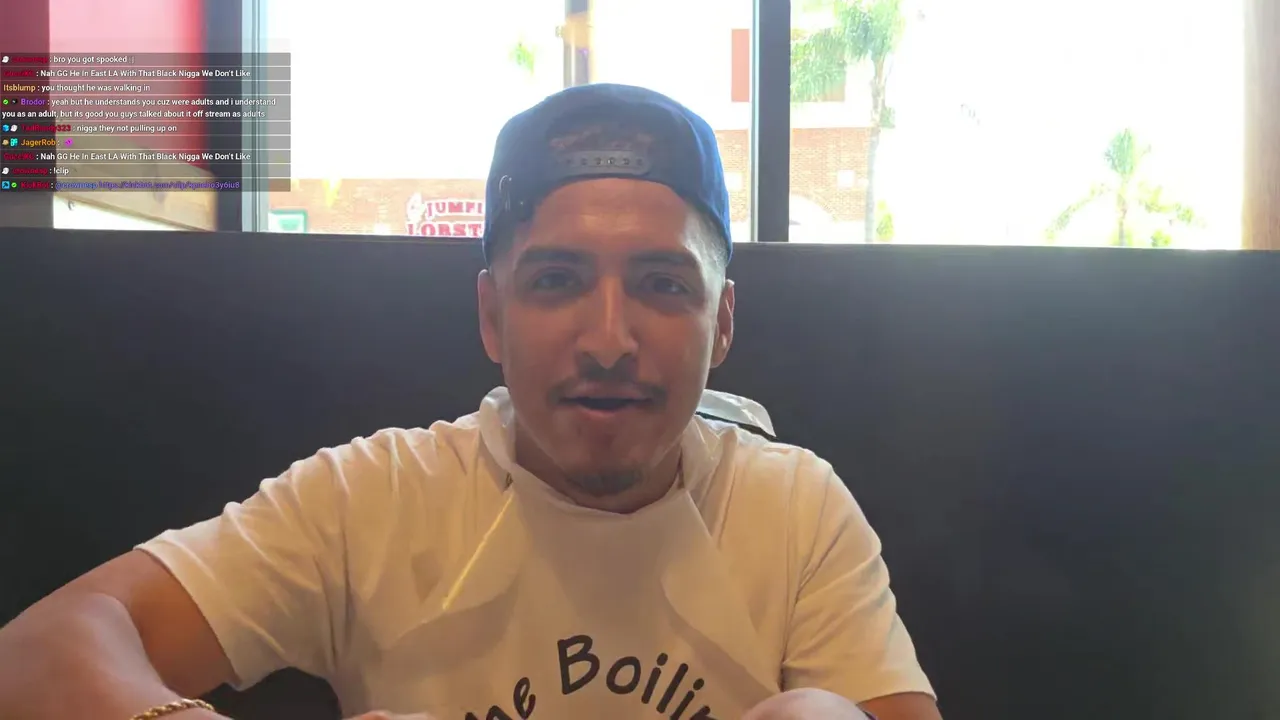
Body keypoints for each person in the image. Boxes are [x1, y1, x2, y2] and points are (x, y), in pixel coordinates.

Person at [0, 84, 941, 720]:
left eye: (662, 285)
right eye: (556, 281)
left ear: (721, 322)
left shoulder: (794, 508)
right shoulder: (374, 498)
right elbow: (43, 647)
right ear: (493, 316)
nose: (609, 339)